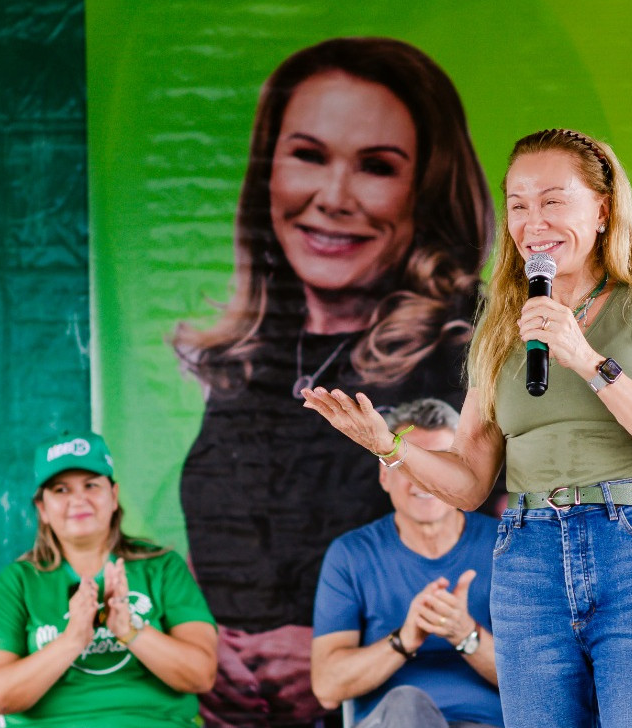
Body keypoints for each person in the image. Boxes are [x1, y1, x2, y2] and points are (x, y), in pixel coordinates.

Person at [303, 127, 632, 728]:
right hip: (529, 553)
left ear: (603, 210)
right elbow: (470, 481)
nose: (532, 223)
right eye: (518, 206)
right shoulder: (501, 322)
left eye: (552, 201)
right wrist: (389, 447)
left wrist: (587, 359)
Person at [170, 37, 492, 726]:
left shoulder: (472, 347)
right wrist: (204, 639)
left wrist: (329, 649)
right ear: (268, 174)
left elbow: (492, 541)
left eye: (376, 167)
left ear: (427, 188)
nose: (333, 197)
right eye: (309, 156)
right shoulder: (249, 358)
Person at [0, 432, 217, 727]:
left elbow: (201, 675)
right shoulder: (19, 580)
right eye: (61, 490)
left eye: (91, 485)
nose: (78, 499)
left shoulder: (162, 567)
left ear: (113, 496)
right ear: (43, 509)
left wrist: (130, 630)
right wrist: (73, 639)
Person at [310, 398, 501, 728]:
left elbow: (545, 680)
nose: (422, 480)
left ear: (464, 474)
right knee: (407, 705)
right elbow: (327, 688)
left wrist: (466, 634)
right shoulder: (351, 555)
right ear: (384, 477)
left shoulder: (506, 545)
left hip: (484, 722)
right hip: (394, 720)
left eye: (438, 463)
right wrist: (404, 639)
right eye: (406, 463)